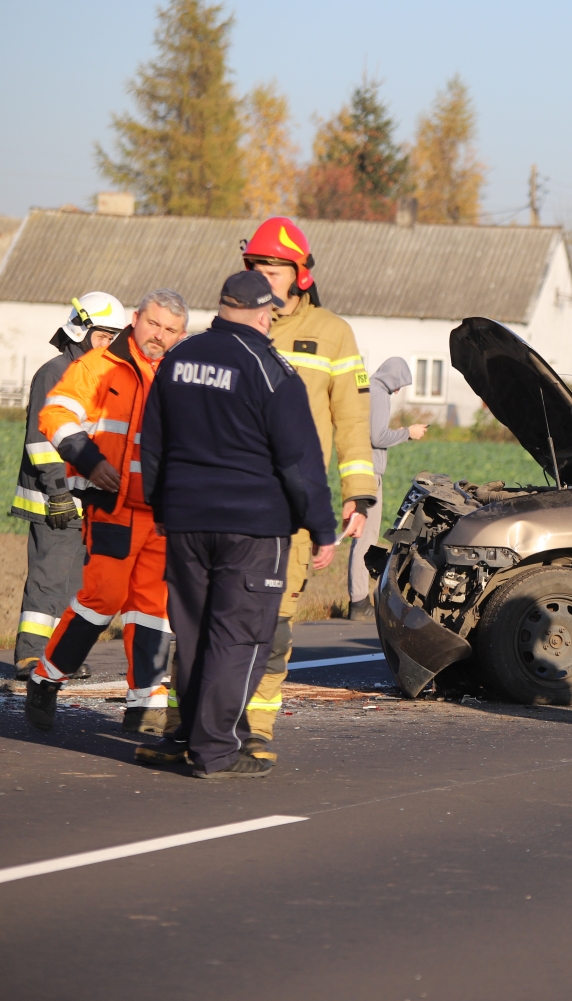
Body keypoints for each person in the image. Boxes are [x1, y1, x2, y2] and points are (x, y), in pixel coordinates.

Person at [135, 270, 337, 778]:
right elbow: (299, 462)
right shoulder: (269, 368)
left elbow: (151, 446)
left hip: (184, 521)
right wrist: (321, 526)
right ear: (266, 313)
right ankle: (216, 750)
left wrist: (163, 508)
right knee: (239, 638)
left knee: (195, 632)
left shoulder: (178, 359)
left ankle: (188, 734)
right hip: (252, 528)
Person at [240, 217, 376, 760]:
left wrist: (357, 493)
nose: (263, 277)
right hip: (230, 501)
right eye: (255, 266)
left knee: (274, 623)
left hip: (292, 506)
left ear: (299, 275)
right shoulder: (231, 327)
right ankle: (188, 718)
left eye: (273, 267)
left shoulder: (333, 333)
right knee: (211, 616)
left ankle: (257, 728)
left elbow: (352, 419)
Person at [24, 290, 189, 734]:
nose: (159, 336)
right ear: (136, 319)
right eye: (153, 324)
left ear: (182, 334)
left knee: (153, 609)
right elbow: (56, 414)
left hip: (162, 515)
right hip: (112, 509)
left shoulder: (181, 374)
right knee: (104, 600)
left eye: (170, 330)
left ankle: (145, 707)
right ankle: (46, 678)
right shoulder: (97, 366)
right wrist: (90, 459)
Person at [9, 293, 127, 681]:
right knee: (48, 578)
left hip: (81, 500)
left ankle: (55, 659)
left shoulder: (95, 375)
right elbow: (43, 440)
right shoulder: (55, 371)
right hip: (52, 498)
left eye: (114, 337)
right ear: (81, 329)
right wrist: (58, 493)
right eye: (103, 335)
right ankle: (30, 656)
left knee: (73, 585)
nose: (109, 344)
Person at [347, 358, 426, 620]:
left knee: (362, 537)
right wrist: (408, 433)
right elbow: (378, 436)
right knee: (366, 539)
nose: (399, 390)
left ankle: (358, 599)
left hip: (361, 470)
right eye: (400, 384)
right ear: (393, 378)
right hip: (370, 474)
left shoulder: (369, 389)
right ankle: (358, 603)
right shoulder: (379, 393)